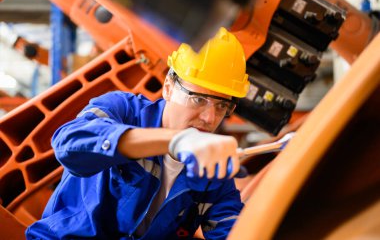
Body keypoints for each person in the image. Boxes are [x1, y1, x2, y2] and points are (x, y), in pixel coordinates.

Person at [26, 27, 250, 240]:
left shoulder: (213, 173)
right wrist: (175, 141)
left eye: (222, 106)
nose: (210, 118)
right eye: (198, 99)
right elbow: (68, 146)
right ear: (168, 88)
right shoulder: (122, 110)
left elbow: (237, 231)